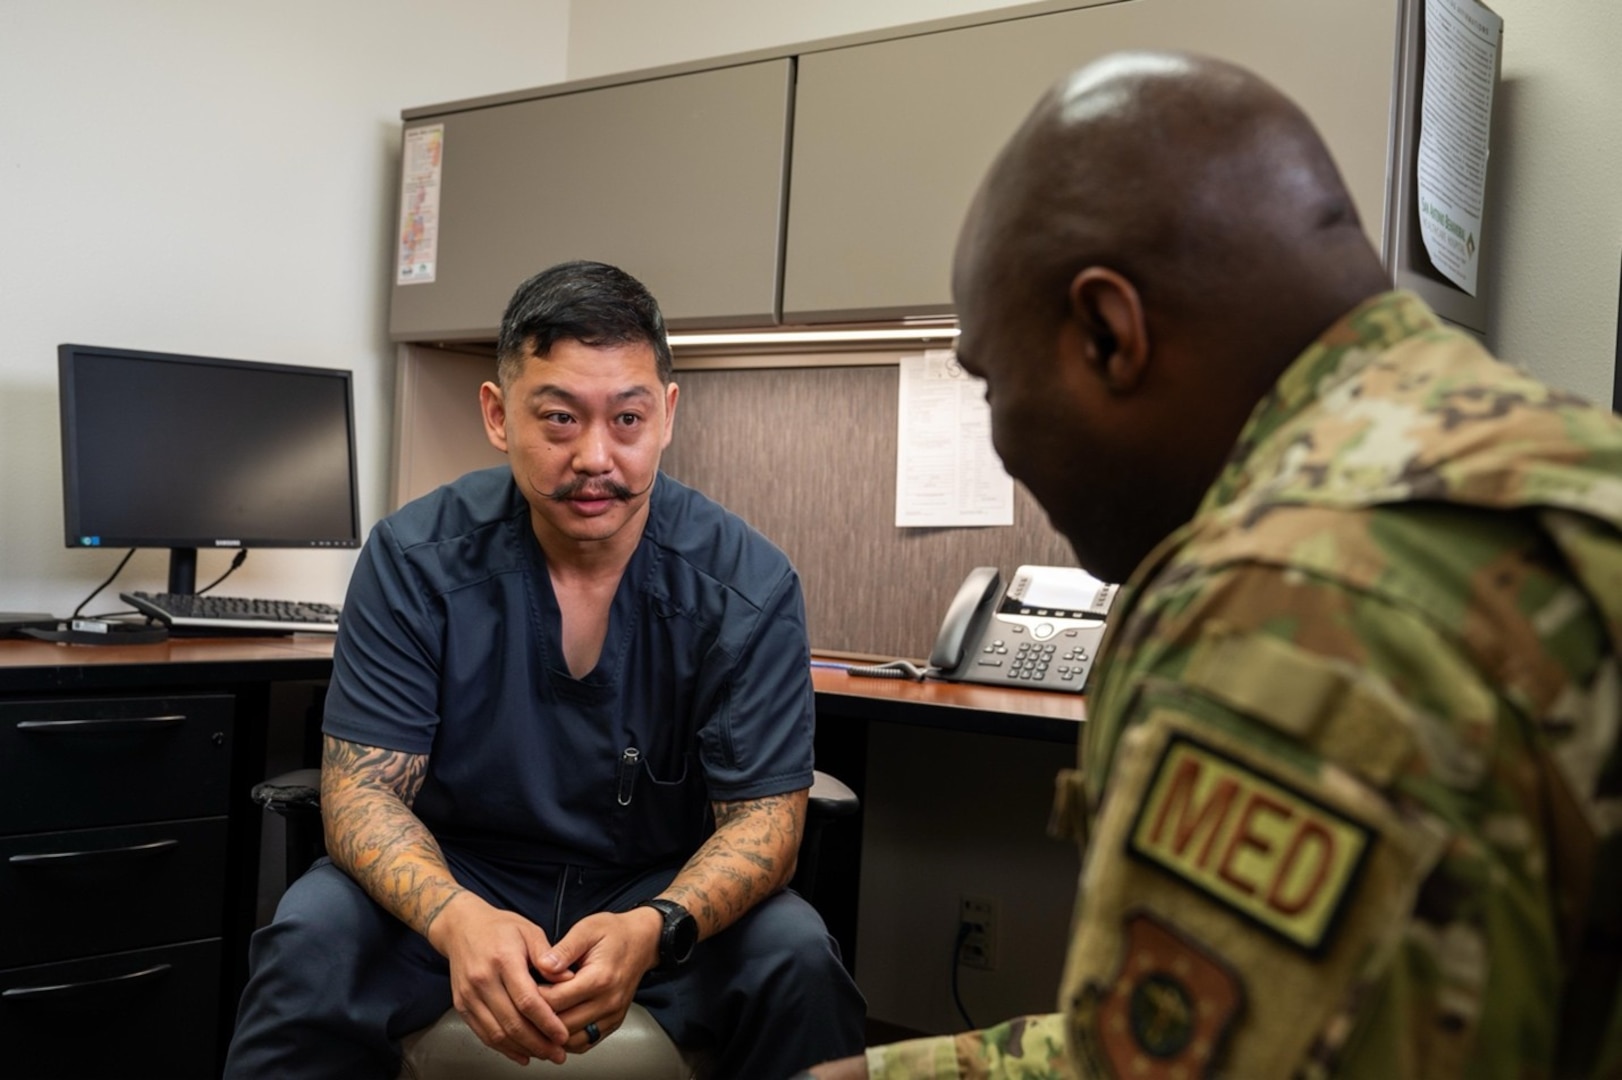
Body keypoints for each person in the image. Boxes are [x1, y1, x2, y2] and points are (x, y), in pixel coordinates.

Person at [806, 51, 1622, 1079]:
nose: (1000, 439)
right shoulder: (1558, 460)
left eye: (988, 381)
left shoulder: (1278, 606)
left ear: (1107, 334)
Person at [224, 259, 865, 1079]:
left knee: (798, 959)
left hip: (653, 888)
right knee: (310, 938)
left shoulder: (748, 585)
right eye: (559, 419)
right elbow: (361, 793)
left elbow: (765, 825)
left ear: (667, 414)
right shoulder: (415, 560)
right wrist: (458, 919)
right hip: (456, 875)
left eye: (628, 420)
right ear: (498, 414)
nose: (596, 457)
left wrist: (656, 924)